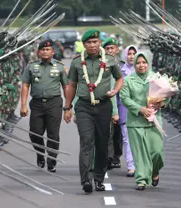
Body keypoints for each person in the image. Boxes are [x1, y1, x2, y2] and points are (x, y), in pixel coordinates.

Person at [64, 29, 124, 193]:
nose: (92, 45)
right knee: (86, 141)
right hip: (84, 107)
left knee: (102, 143)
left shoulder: (110, 60)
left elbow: (119, 78)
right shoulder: (77, 62)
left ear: (99, 43)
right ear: (84, 45)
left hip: (104, 106)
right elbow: (72, 86)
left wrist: (115, 90)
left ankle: (98, 178)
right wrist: (67, 107)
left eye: (95, 42)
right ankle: (86, 180)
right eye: (89, 42)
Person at [20, 39, 69, 172]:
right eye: (43, 50)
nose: (45, 52)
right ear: (38, 52)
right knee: (35, 133)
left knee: (53, 134)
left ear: (53, 52)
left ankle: (52, 160)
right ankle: (40, 154)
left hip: (54, 103)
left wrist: (68, 107)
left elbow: (66, 86)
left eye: (48, 50)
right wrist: (23, 105)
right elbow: (25, 85)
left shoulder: (59, 67)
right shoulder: (31, 66)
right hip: (36, 104)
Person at [120, 52, 165, 190]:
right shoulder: (128, 80)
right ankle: (141, 179)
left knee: (157, 152)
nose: (141, 65)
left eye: (144, 62)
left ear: (148, 63)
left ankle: (155, 171)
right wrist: (140, 109)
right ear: (134, 65)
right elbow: (125, 98)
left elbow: (165, 95)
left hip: (153, 121)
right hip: (135, 122)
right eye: (138, 63)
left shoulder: (156, 78)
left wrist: (161, 103)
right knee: (139, 154)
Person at [102, 37, 123, 170]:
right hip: (108, 99)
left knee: (117, 132)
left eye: (112, 48)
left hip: (121, 102)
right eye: (107, 48)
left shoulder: (122, 64)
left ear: (117, 49)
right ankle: (109, 157)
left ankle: (116, 156)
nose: (110, 50)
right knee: (107, 131)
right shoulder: (102, 64)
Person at [118, 45, 138, 177]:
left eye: (134, 53)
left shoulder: (142, 70)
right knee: (127, 139)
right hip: (125, 109)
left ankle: (141, 165)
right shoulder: (120, 72)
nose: (131, 56)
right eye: (129, 53)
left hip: (140, 110)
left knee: (139, 139)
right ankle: (131, 166)